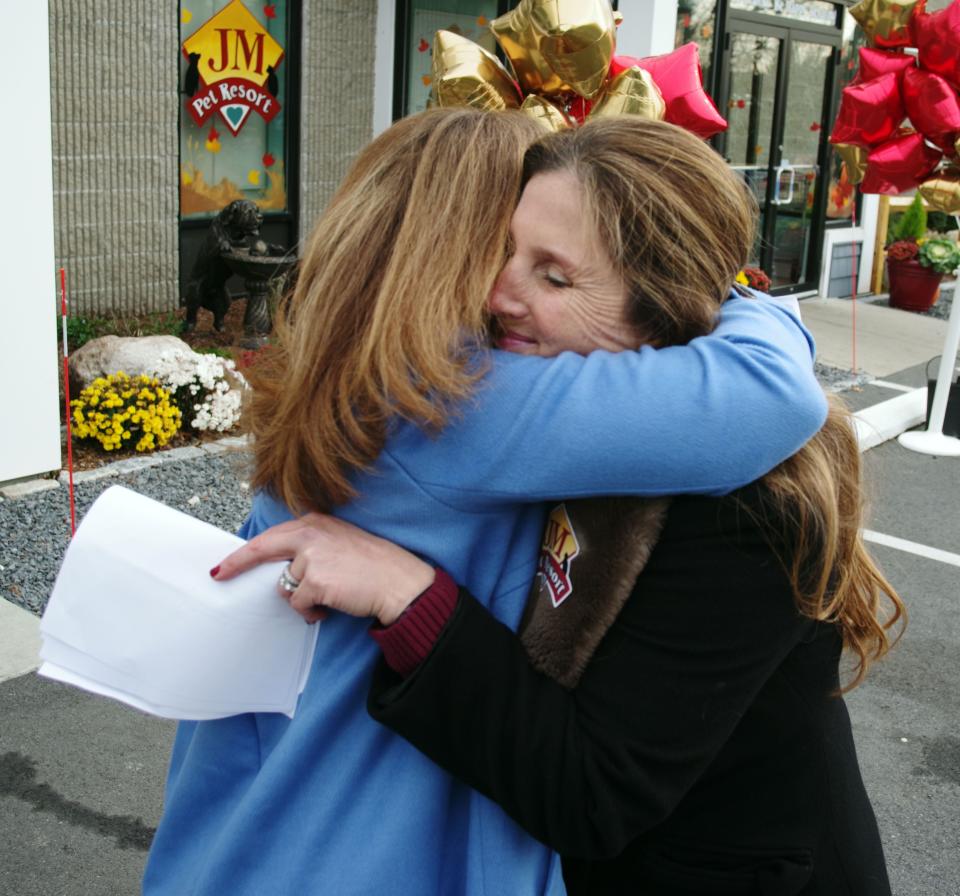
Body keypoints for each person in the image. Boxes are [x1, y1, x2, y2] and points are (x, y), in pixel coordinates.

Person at [144, 110, 829, 896]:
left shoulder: (344, 386)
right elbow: (771, 392)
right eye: (501, 252)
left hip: (240, 826)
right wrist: (753, 302)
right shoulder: (458, 405)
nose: (504, 290)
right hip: (361, 845)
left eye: (550, 268)